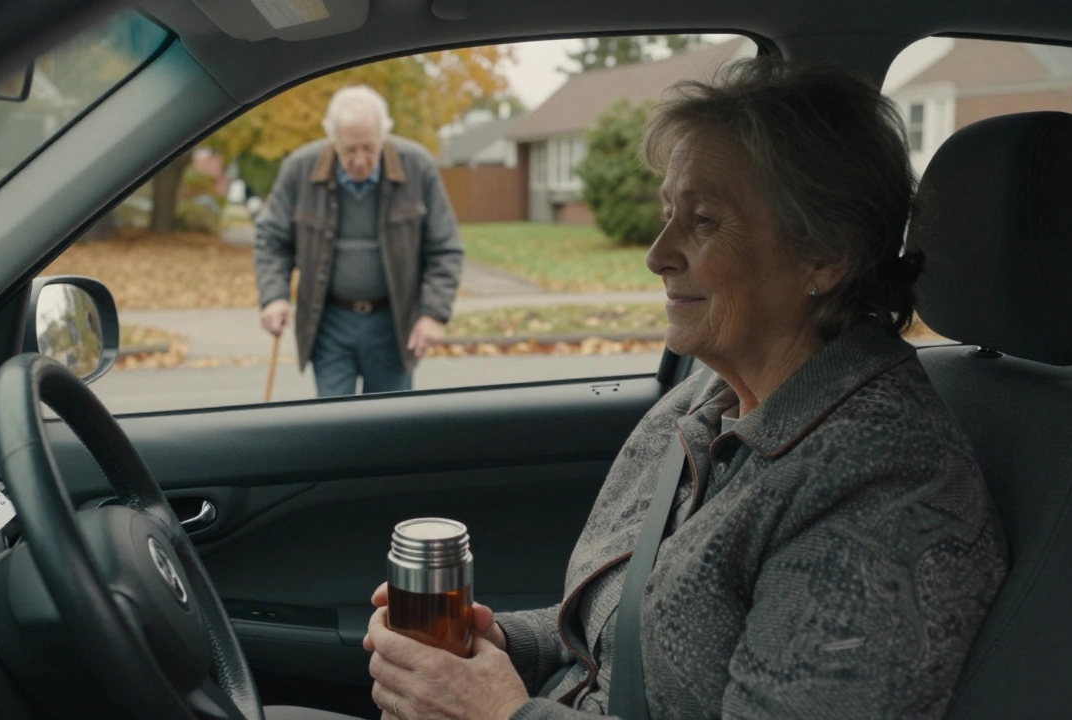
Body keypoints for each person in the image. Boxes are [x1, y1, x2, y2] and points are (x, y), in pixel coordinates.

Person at [266, 56, 1008, 720]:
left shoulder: (885, 487)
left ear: (826, 254)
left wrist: (498, 714)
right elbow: (619, 644)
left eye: (705, 220)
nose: (657, 254)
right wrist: (492, 645)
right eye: (667, 213)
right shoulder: (701, 405)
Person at [253, 85, 463, 398]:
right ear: (333, 140)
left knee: (389, 427)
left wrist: (433, 313)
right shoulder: (300, 168)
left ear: (383, 136)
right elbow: (271, 240)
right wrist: (275, 296)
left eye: (369, 147)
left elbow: (445, 248)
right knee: (336, 424)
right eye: (350, 150)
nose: (361, 160)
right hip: (329, 323)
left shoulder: (417, 166)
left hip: (393, 324)